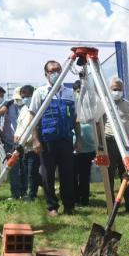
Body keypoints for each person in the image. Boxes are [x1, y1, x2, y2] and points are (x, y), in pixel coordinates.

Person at [29, 60, 81, 216]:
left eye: (58, 70)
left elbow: (75, 118)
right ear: (46, 74)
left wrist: (78, 139)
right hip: (47, 140)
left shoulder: (70, 93)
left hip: (65, 140)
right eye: (52, 71)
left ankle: (69, 206)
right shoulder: (40, 92)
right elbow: (33, 117)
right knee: (48, 174)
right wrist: (35, 140)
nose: (56, 73)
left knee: (67, 174)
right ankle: (52, 206)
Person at [104, 77, 129, 213]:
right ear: (109, 89)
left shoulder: (127, 104)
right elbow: (99, 123)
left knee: (127, 172)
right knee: (110, 173)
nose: (117, 91)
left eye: (119, 89)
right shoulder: (105, 103)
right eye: (114, 89)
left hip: (125, 143)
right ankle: (112, 206)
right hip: (110, 140)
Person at [0, 86, 26, 200]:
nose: (19, 100)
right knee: (13, 168)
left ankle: (24, 193)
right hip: (9, 141)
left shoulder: (28, 105)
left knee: (24, 168)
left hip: (24, 141)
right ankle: (15, 193)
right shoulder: (7, 104)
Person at [14, 85, 41, 201]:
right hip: (22, 147)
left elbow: (35, 127)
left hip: (32, 146)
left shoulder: (37, 108)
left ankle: (31, 195)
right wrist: (16, 135)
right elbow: (20, 125)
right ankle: (27, 192)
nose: (24, 98)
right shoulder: (24, 109)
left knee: (32, 172)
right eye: (23, 96)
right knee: (25, 172)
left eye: (27, 96)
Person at [72, 80, 97, 206]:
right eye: (78, 91)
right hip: (75, 147)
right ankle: (76, 199)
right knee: (74, 175)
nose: (80, 94)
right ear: (74, 92)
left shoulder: (92, 106)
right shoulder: (72, 106)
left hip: (89, 148)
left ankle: (85, 199)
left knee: (85, 175)